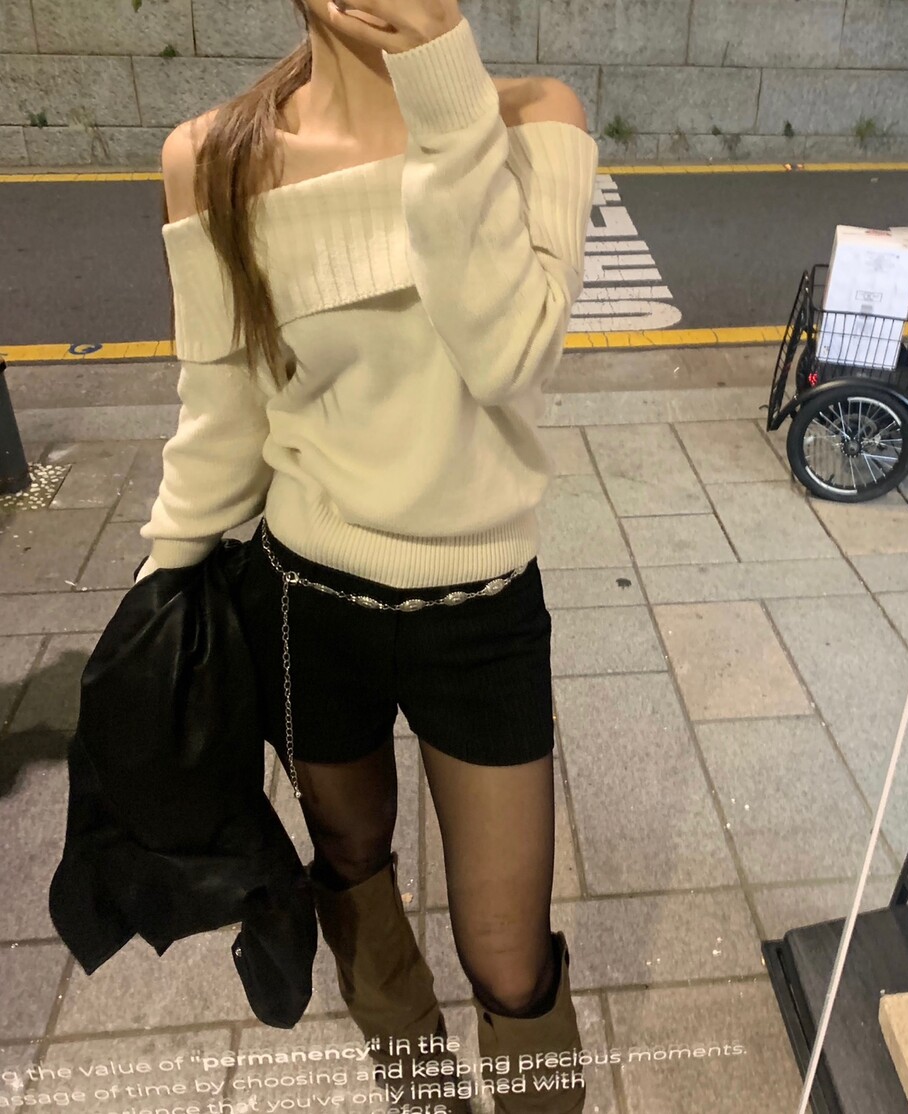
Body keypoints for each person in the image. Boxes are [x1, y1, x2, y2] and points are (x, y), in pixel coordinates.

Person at [134, 2, 599, 1112]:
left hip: (481, 609)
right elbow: (224, 415)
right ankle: (421, 1094)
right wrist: (152, 613)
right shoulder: (214, 158)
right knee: (351, 874)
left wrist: (442, 84)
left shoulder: (534, 122)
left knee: (509, 958)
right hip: (305, 604)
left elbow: (508, 357)